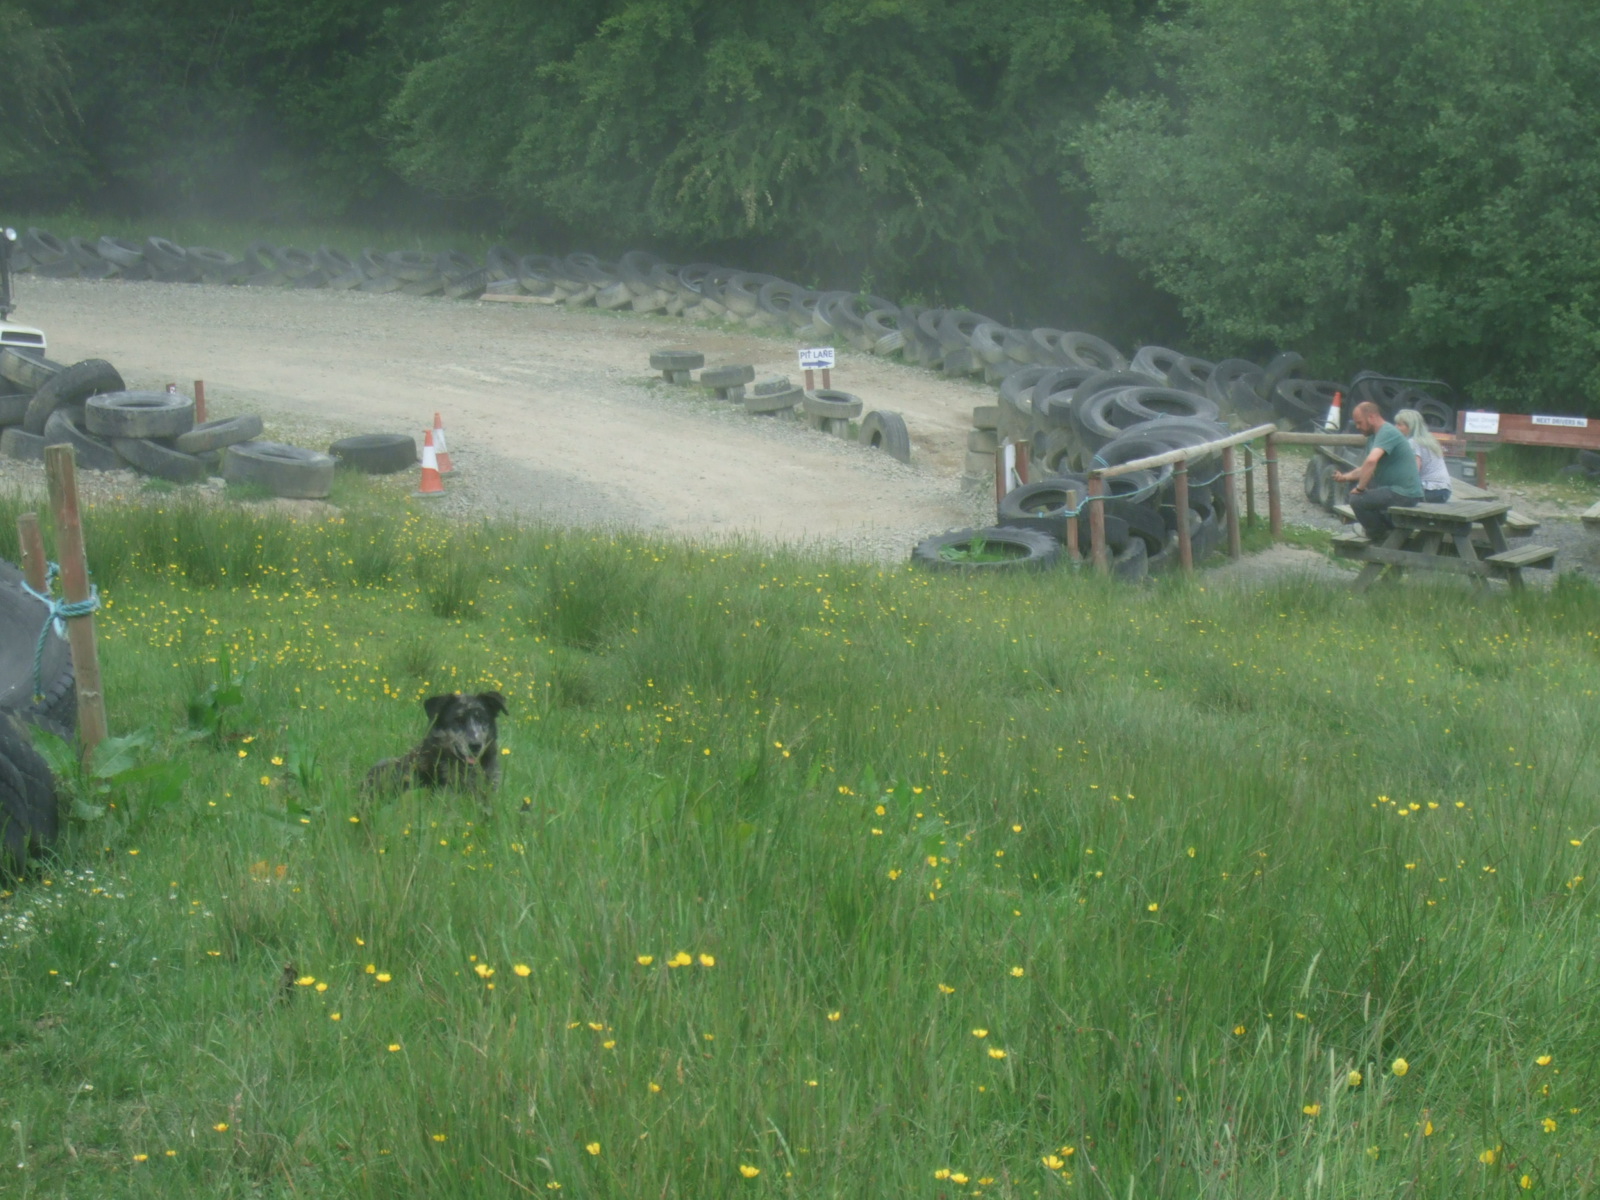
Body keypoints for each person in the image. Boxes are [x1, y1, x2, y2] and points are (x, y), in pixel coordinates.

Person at [1332, 401, 1423, 538]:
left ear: (1372, 417)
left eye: (1359, 422)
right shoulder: (1374, 437)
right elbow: (1366, 468)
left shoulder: (1387, 432)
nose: (1357, 427)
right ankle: (1385, 530)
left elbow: (1371, 461)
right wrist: (1345, 477)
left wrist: (1360, 488)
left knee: (1356, 500)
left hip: (1404, 493)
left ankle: (1377, 534)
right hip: (1396, 491)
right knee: (1359, 492)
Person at [1393, 408, 1452, 503]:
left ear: (1410, 426)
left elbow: (1414, 470)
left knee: (1391, 497)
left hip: (1430, 490)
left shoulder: (1413, 442)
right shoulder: (1429, 439)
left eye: (1399, 425)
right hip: (1444, 491)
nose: (1395, 427)